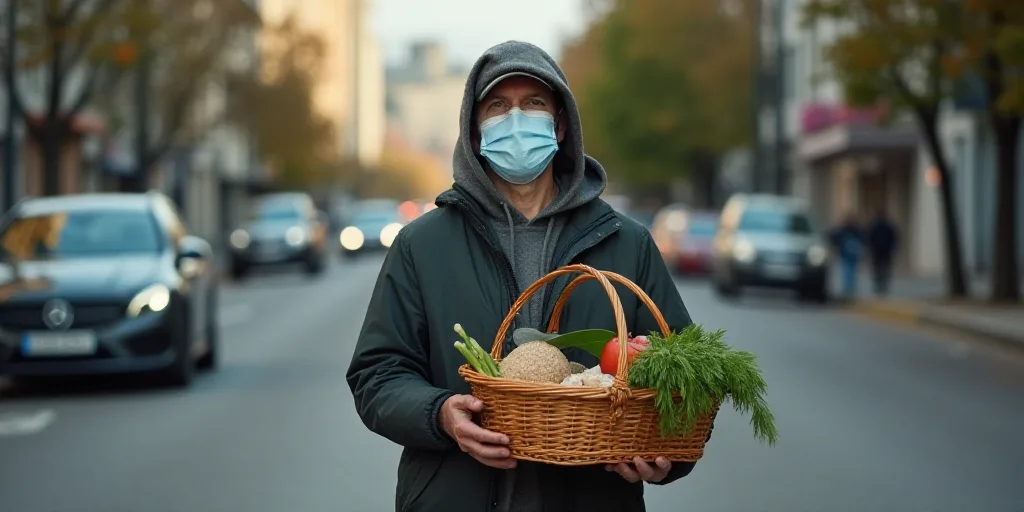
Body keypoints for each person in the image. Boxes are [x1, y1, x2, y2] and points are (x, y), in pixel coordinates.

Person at [346, 41, 699, 512]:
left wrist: (666, 458)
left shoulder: (626, 243)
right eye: (498, 106)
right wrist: (440, 415)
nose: (516, 118)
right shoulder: (422, 245)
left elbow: (688, 375)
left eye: (533, 103)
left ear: (559, 125)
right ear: (474, 134)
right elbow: (377, 373)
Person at [829, 212, 864, 300]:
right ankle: (847, 289)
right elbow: (834, 237)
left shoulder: (855, 230)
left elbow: (862, 239)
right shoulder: (843, 229)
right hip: (845, 254)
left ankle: (849, 289)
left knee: (851, 271)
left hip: (853, 254)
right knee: (847, 271)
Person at [866, 210, 898, 296]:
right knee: (878, 270)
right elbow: (869, 239)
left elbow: (893, 238)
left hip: (885, 251)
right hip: (877, 251)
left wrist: (893, 248)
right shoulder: (874, 227)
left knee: (884, 270)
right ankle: (879, 286)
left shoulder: (888, 227)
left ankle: (882, 286)